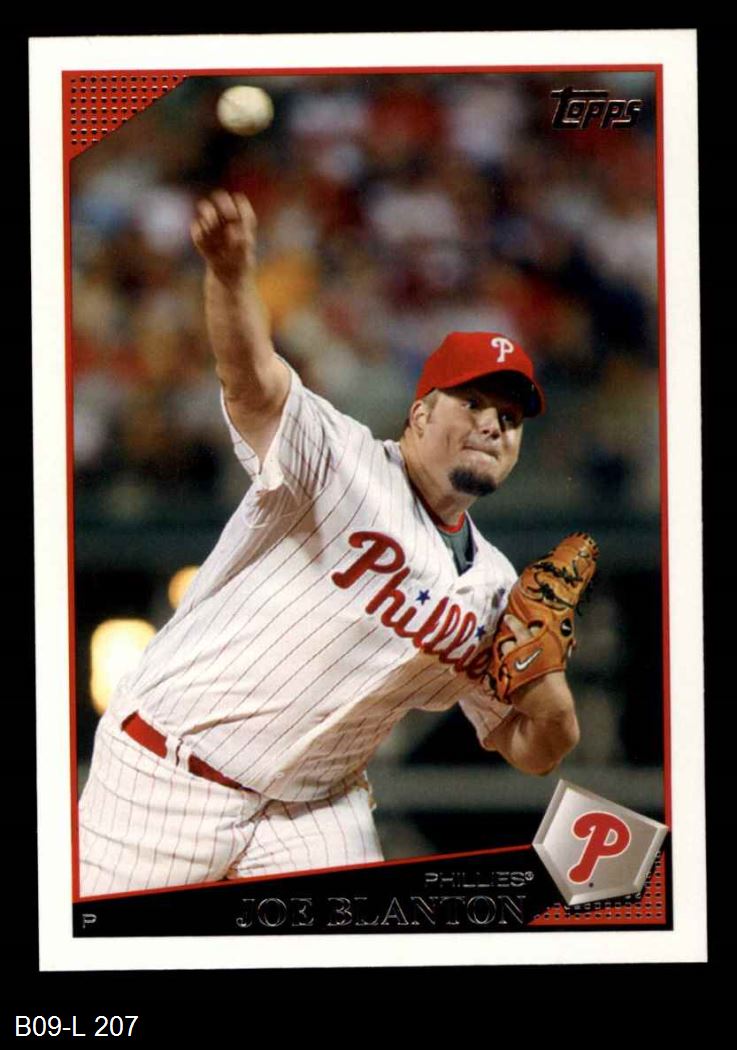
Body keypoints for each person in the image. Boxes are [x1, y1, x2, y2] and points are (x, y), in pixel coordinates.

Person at [78, 190, 580, 896]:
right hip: (169, 771)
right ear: (420, 413)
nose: (494, 425)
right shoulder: (339, 457)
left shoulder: (497, 589)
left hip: (313, 808)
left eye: (510, 416)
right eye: (472, 403)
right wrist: (229, 276)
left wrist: (553, 702)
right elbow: (251, 381)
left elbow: (531, 749)